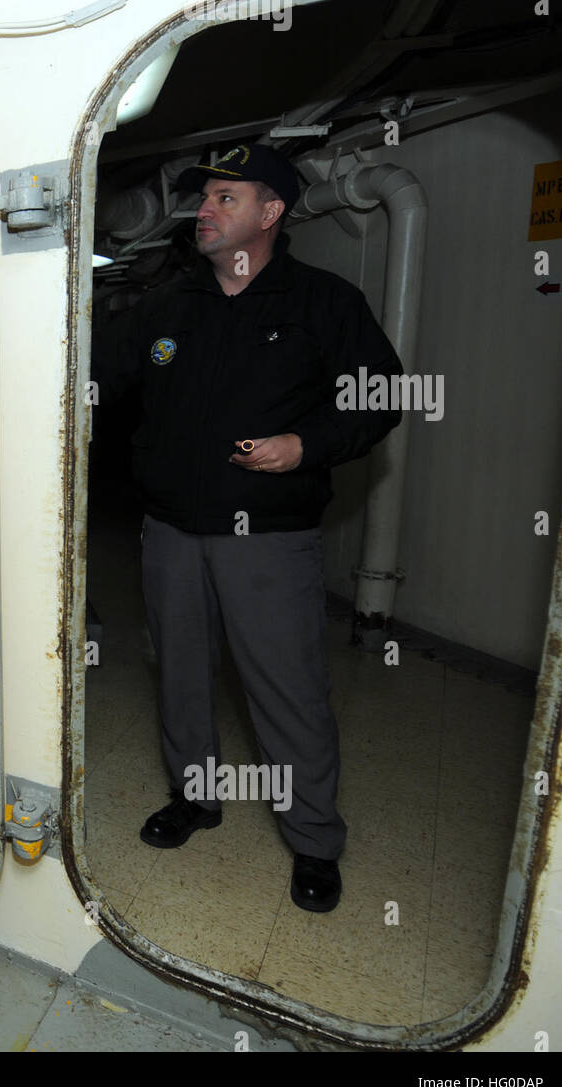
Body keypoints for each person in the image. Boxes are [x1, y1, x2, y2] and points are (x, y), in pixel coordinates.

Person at [96, 143, 401, 912]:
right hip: (170, 531)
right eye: (204, 198)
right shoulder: (168, 308)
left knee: (287, 688)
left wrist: (306, 444)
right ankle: (196, 798)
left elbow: (380, 394)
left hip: (267, 537)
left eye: (225, 199)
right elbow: (100, 377)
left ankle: (313, 838)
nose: (205, 209)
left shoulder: (323, 304)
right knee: (181, 675)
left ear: (270, 213)